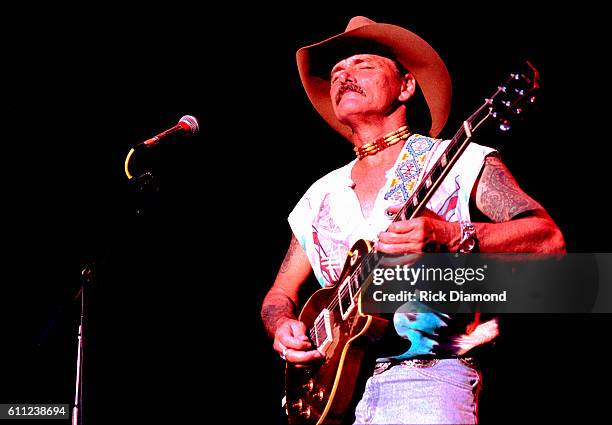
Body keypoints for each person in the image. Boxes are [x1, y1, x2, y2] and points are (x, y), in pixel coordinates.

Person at [261, 16, 565, 424]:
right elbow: (279, 294)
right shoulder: (319, 195)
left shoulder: (458, 160)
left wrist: (449, 232)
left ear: (406, 86)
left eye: (364, 65)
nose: (344, 76)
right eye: (336, 72)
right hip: (330, 400)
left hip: (425, 382)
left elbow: (548, 240)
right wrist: (282, 327)